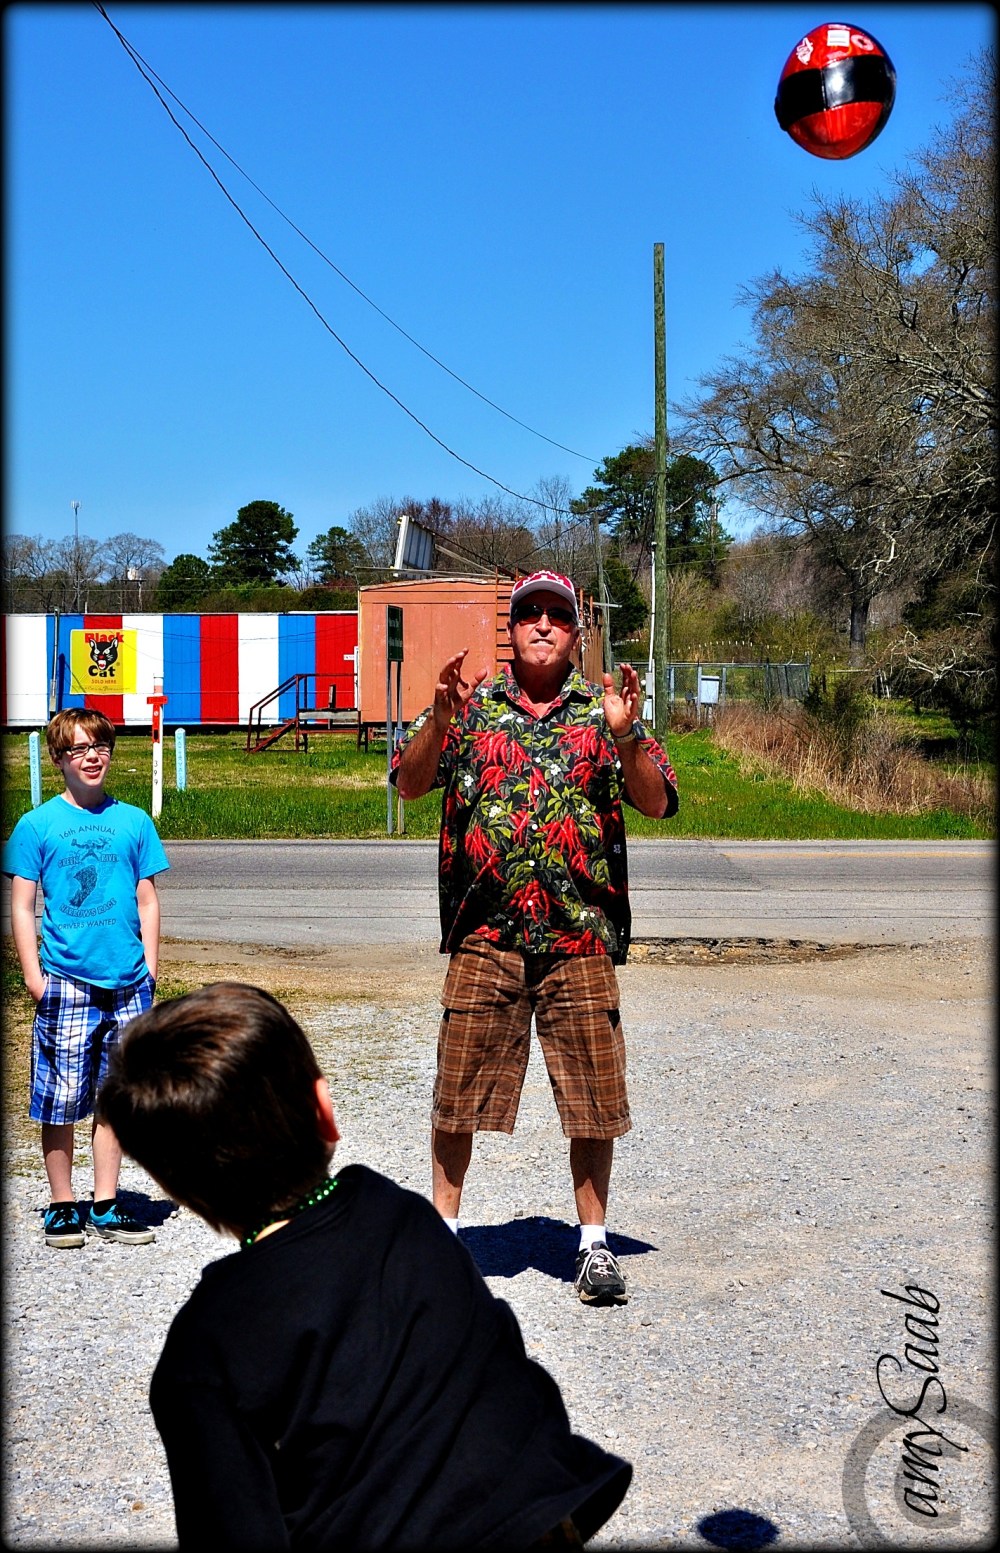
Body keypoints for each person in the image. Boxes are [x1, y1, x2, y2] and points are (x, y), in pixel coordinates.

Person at [97, 981, 633, 1550]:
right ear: (326, 1112)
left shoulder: (203, 1349)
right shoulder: (404, 1218)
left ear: (172, 1185)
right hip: (538, 1520)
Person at [391, 569, 678, 1305]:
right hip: (485, 935)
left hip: (578, 938)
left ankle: (593, 1245)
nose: (543, 624)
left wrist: (628, 733)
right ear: (511, 629)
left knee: (593, 1099)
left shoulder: (603, 710)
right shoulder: (472, 707)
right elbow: (409, 783)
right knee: (456, 1094)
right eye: (529, 614)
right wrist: (438, 719)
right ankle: (444, 1237)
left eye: (557, 614)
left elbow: (657, 801)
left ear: (577, 632)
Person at [3, 708, 169, 1249]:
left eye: (100, 746)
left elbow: (147, 898)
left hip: (127, 983)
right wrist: (34, 976)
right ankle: (61, 1204)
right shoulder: (37, 825)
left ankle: (105, 1201)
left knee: (114, 1097)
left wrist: (149, 966)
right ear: (58, 759)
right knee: (60, 1096)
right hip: (65, 981)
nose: (92, 757)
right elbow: (24, 906)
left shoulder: (134, 822)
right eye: (78, 749)